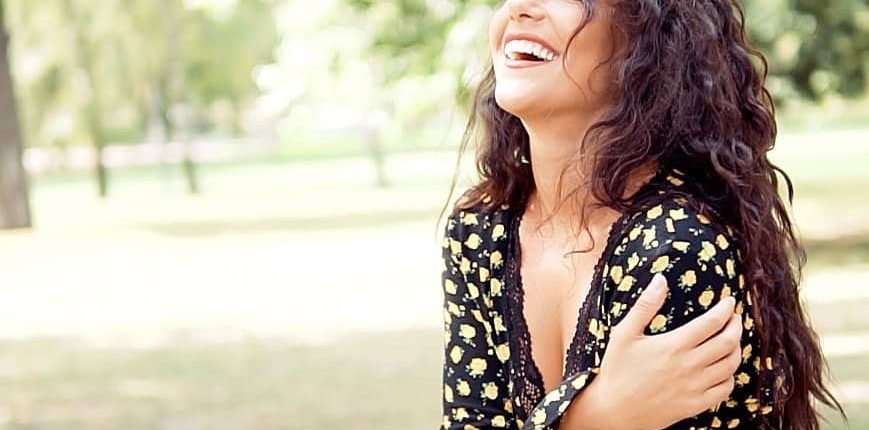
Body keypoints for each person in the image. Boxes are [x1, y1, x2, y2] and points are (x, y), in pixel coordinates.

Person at [437, 0, 845, 429]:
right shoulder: (481, 232)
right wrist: (598, 417)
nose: (520, 8)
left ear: (648, 40)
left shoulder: (677, 244)